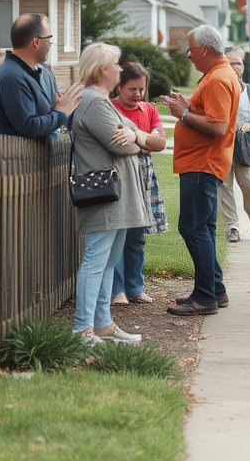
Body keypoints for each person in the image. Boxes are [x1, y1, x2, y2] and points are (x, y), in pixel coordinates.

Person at [69, 43, 152, 345]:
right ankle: (82, 329)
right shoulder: (92, 101)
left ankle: (102, 323)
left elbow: (133, 137)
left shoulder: (100, 100)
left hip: (117, 198)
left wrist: (135, 136)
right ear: (104, 69)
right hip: (104, 198)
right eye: (116, 64)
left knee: (108, 261)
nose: (120, 69)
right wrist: (137, 140)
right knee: (96, 260)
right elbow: (120, 144)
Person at [161, 25, 242, 316]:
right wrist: (189, 105)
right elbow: (210, 115)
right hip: (204, 163)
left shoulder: (218, 79)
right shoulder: (216, 75)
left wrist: (182, 113)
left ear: (205, 50)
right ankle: (213, 290)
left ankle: (206, 297)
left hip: (202, 163)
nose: (189, 56)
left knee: (193, 228)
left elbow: (218, 127)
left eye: (192, 50)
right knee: (203, 229)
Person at [110, 62, 168, 305]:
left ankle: (136, 287)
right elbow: (119, 145)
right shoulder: (109, 108)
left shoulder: (149, 110)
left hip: (144, 176)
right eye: (132, 89)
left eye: (141, 89)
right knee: (117, 235)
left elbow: (161, 143)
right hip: (120, 175)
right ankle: (117, 289)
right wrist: (145, 141)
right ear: (119, 86)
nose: (137, 95)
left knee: (136, 236)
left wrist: (137, 137)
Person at [0, 13, 82, 138]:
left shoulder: (45, 72)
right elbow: (29, 127)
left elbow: (56, 112)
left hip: (46, 157)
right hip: (17, 157)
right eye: (49, 40)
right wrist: (60, 113)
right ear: (36, 42)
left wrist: (66, 109)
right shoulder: (12, 78)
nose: (50, 45)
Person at [220, 47, 250, 243]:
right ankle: (232, 226)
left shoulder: (248, 90)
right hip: (221, 147)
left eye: (238, 63)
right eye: (229, 63)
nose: (234, 67)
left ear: (243, 66)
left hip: (244, 148)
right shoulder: (217, 87)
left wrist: (246, 128)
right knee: (224, 187)